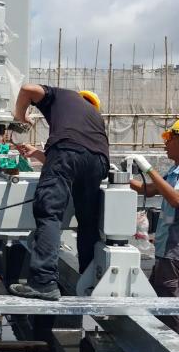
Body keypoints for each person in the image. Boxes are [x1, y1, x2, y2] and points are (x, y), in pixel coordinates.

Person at [9, 85, 110, 301]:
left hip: (67, 152)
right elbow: (78, 155)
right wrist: (38, 154)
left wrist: (20, 117)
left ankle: (43, 283)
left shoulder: (63, 95)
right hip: (99, 161)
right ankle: (89, 281)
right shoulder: (95, 118)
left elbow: (27, 89)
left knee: (49, 212)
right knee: (88, 221)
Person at [129, 117, 179, 335]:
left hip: (177, 247)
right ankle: (161, 340)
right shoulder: (176, 170)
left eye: (170, 138)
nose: (165, 143)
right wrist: (118, 174)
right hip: (168, 247)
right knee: (159, 297)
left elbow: (176, 199)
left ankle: (177, 347)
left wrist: (148, 168)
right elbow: (148, 189)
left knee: (172, 304)